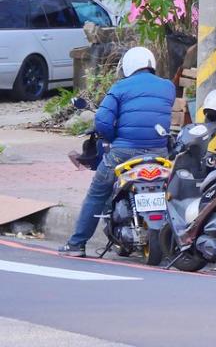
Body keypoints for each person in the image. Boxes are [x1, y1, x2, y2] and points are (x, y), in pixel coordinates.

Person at [59, 47, 176, 257]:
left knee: (97, 192)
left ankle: (77, 244)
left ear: (128, 66)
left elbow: (102, 121)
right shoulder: (168, 87)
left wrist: (114, 139)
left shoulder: (120, 87)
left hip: (124, 153)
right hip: (159, 153)